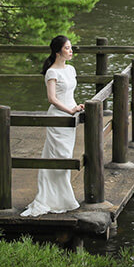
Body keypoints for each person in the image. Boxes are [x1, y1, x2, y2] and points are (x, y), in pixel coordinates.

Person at [20, 35, 84, 216]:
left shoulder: (71, 70)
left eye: (71, 48)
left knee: (66, 154)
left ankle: (62, 197)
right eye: (67, 48)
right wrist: (69, 111)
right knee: (60, 155)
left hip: (71, 113)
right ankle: (56, 198)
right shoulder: (51, 72)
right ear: (57, 51)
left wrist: (77, 107)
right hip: (58, 116)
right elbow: (52, 98)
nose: (71, 51)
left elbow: (69, 93)